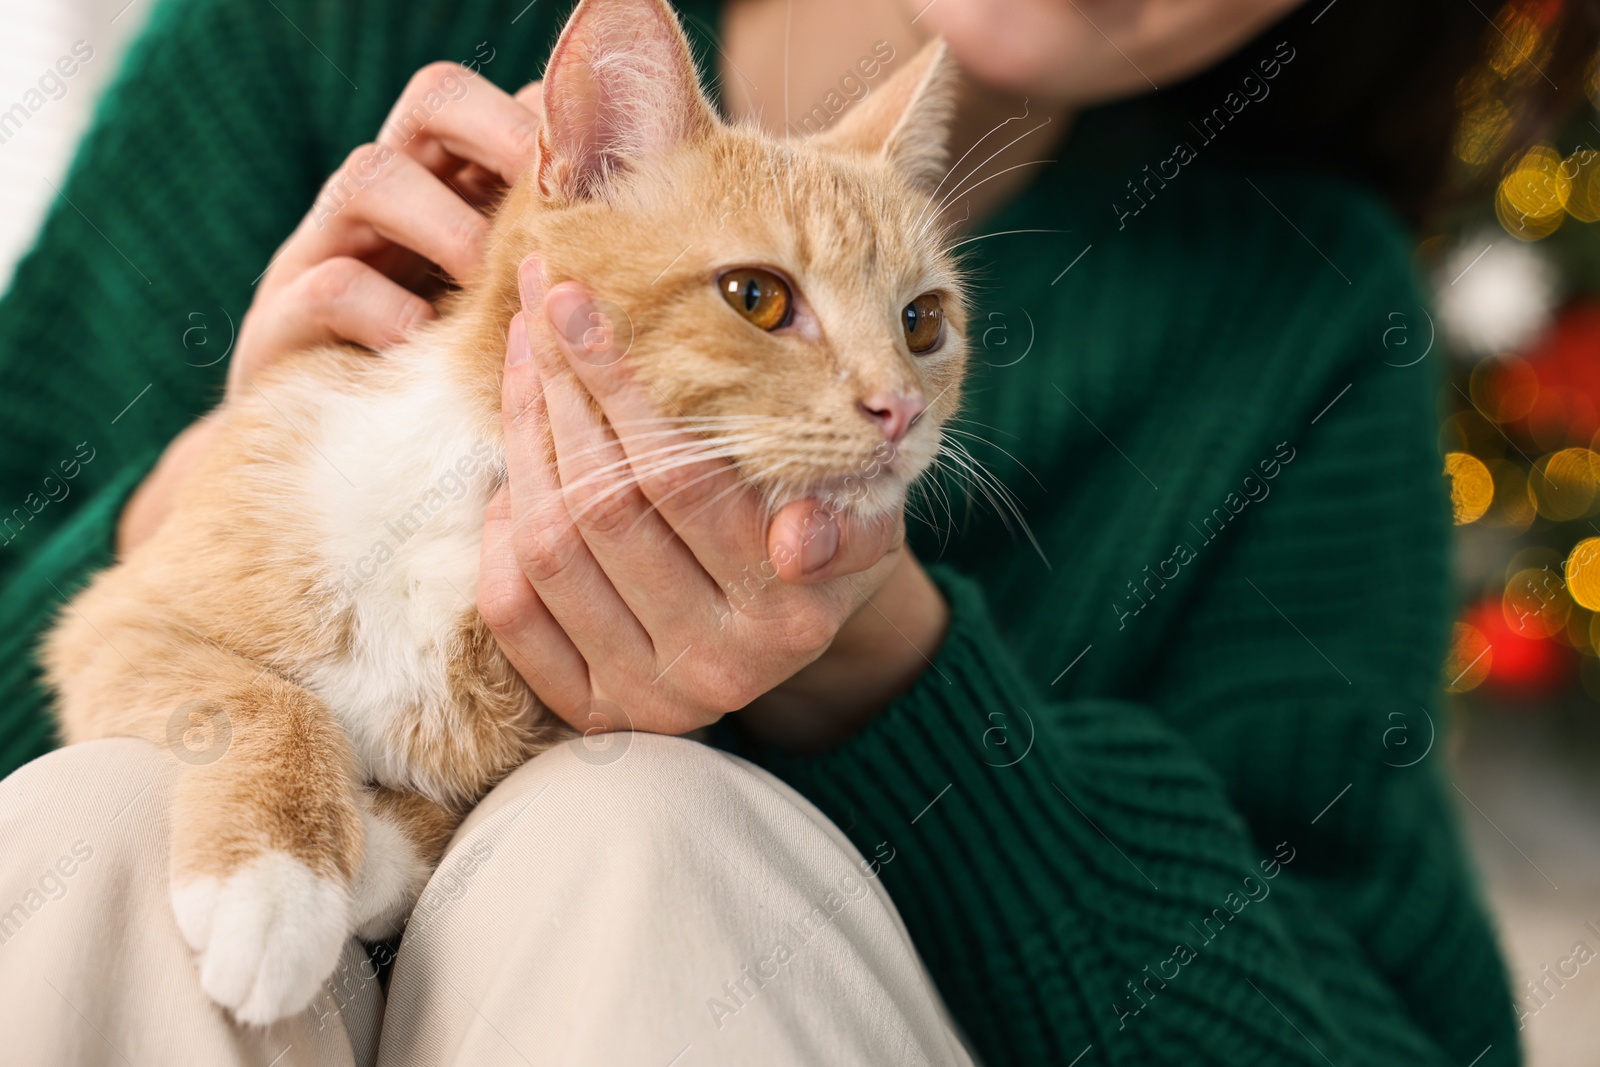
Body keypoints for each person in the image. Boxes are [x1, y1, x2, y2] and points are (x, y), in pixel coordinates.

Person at [0, 0, 1591, 1062]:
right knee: (129, 820)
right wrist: (196, 506)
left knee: (638, 830)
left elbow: (1403, 1041)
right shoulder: (339, 27)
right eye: (761, 298)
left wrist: (900, 694)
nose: (885, 394)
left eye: (923, 324)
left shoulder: (1299, 310)